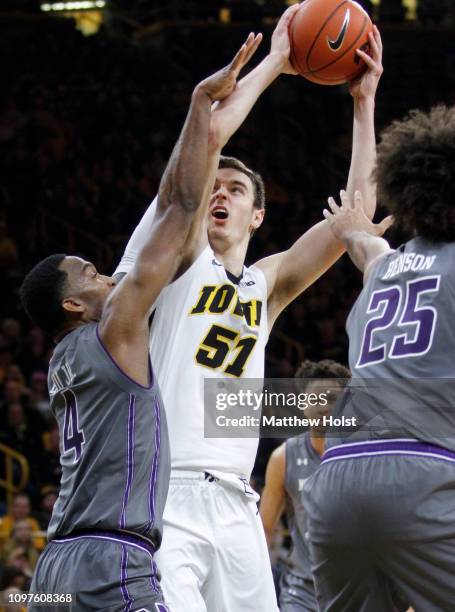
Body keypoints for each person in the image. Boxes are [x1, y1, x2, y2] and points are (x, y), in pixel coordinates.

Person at [115, 11, 384, 610]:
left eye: (236, 191)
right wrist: (276, 65)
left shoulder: (265, 284)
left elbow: (353, 222)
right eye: (216, 187)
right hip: (169, 492)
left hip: (236, 501)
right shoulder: (178, 258)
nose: (220, 194)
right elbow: (208, 140)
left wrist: (364, 103)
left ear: (258, 216)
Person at [18, 38, 260, 612]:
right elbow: (179, 203)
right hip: (114, 555)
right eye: (92, 274)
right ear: (72, 305)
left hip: (56, 562)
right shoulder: (117, 329)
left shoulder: (62, 361)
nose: (108, 279)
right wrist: (201, 105)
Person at [306, 104, 455, 610]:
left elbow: (360, 237)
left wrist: (363, 101)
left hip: (336, 482)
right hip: (422, 470)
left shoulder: (384, 265)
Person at [260, 360, 350, 612]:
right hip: (301, 589)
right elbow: (263, 529)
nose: (324, 407)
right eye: (316, 398)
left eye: (332, 399)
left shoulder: (362, 456)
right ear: (302, 404)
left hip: (354, 585)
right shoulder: (283, 457)